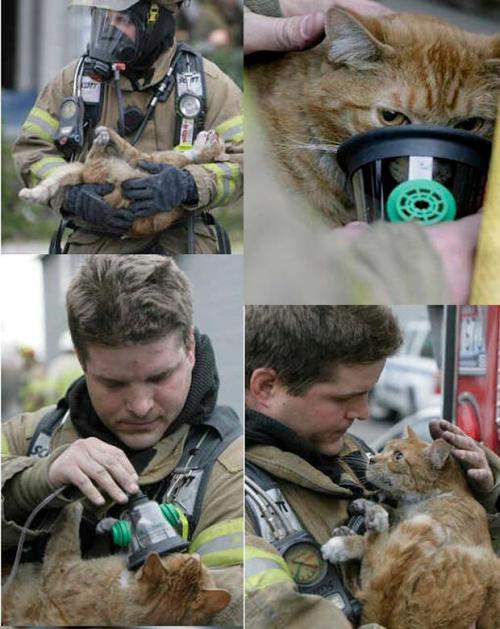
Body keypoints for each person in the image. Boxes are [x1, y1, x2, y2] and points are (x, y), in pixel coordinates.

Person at [1, 256, 243, 625]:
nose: (141, 406)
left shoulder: (231, 465)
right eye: (113, 383)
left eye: (160, 377)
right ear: (81, 360)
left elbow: (236, 602)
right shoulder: (27, 436)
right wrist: (36, 482)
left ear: (190, 347)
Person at [244, 306, 500, 628]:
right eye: (345, 398)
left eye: (369, 393)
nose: (364, 413)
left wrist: (477, 501)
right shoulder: (240, 499)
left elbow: (448, 571)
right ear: (266, 387)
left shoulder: (354, 457)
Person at [243, 0, 486, 304]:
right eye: (392, 117)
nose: (432, 166)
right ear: (347, 61)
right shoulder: (268, 133)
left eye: (469, 124)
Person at [13, 0, 243, 254]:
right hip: (96, 249)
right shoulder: (72, 81)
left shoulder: (207, 84)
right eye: (103, 17)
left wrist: (188, 184)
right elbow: (32, 150)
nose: (109, 27)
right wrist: (71, 196)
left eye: (122, 19)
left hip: (184, 245)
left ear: (156, 22)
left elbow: (246, 162)